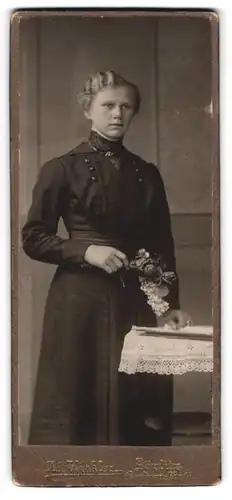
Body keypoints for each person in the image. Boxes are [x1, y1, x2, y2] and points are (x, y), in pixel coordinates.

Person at [22, 70, 190, 446]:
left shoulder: (146, 174)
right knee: (80, 393)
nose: (117, 114)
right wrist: (86, 251)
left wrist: (171, 304)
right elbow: (33, 238)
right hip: (80, 301)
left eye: (126, 106)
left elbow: (162, 242)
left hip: (136, 299)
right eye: (108, 105)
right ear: (88, 110)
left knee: (136, 392)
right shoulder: (60, 169)